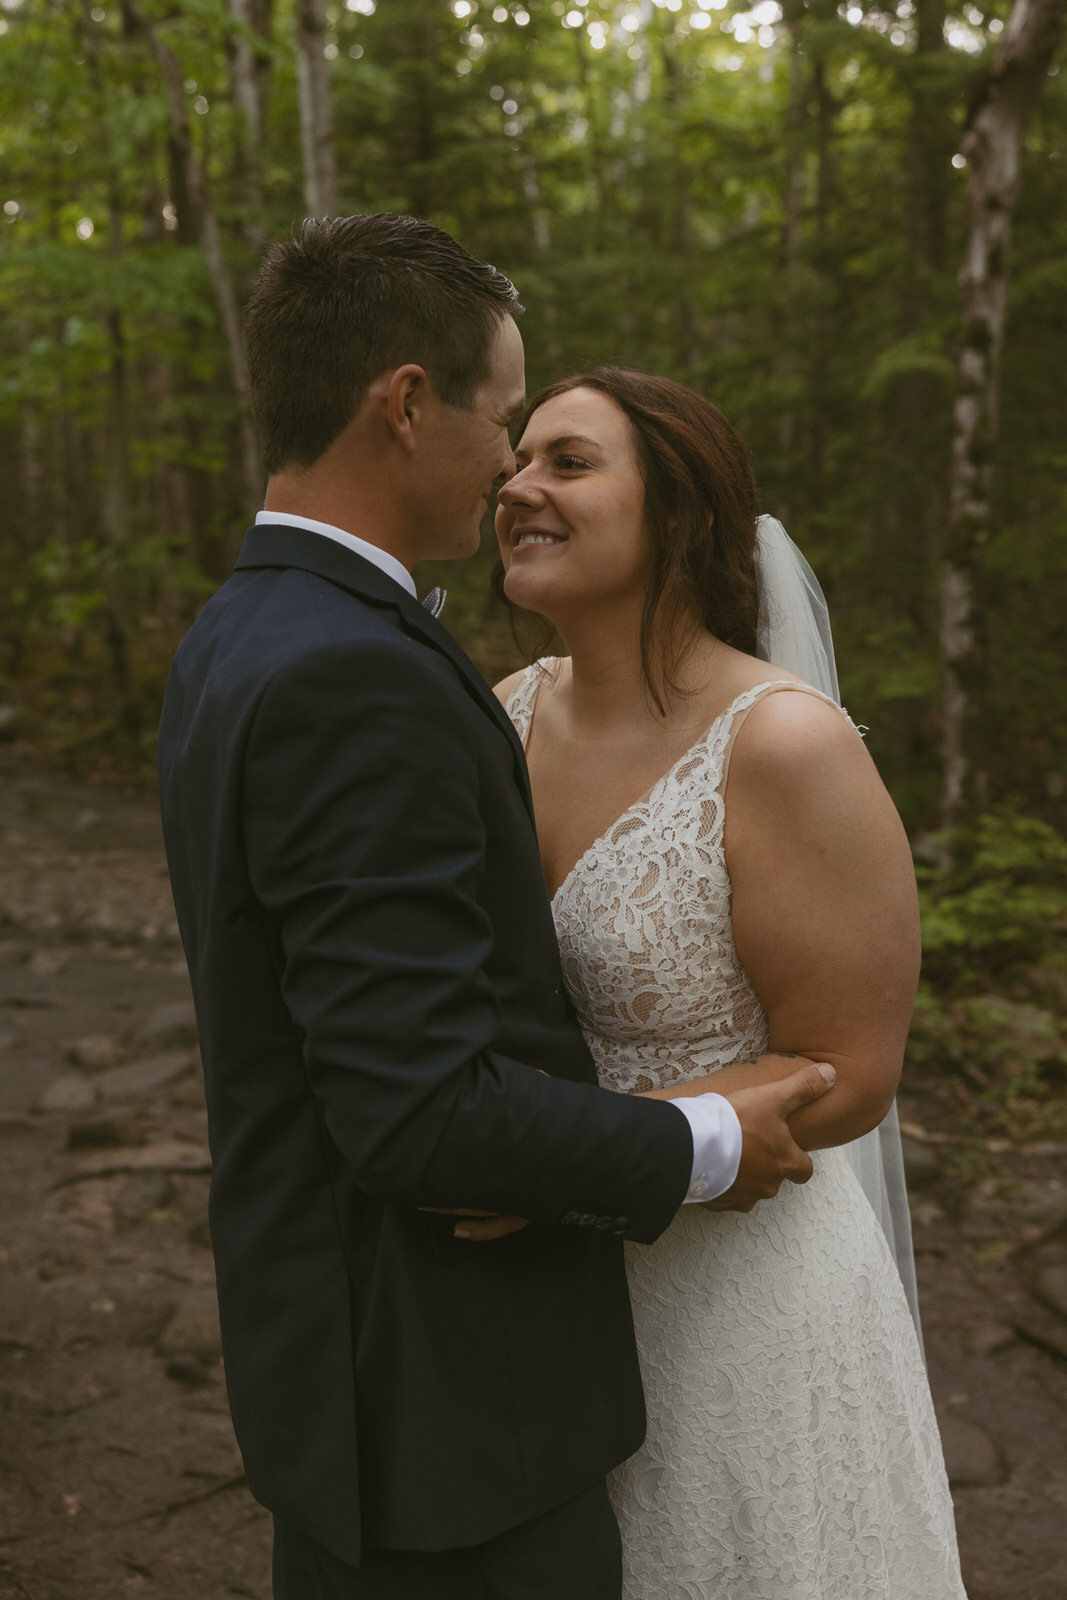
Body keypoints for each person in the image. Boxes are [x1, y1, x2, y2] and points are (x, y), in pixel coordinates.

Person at [156, 217, 837, 1600]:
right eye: (502, 416)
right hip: (444, 1420)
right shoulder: (360, 674)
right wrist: (696, 1139)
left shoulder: (242, 628)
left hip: (349, 1386)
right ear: (405, 403)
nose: (508, 463)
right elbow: (416, 1112)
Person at [490, 368, 969, 1599]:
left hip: (740, 1306)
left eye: (568, 462)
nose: (517, 485)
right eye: (518, 457)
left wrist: (571, 1166)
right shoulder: (496, 718)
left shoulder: (781, 744)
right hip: (538, 1312)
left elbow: (848, 1073)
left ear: (680, 515)